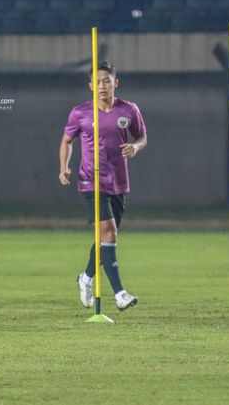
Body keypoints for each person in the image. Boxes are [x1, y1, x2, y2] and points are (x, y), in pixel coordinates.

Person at [58, 61, 147, 311]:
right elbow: (67, 140)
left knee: (104, 237)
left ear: (115, 82)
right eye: (97, 82)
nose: (101, 86)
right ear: (90, 86)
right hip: (90, 181)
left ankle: (85, 278)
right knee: (109, 233)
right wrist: (64, 166)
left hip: (118, 182)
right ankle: (120, 294)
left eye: (106, 81)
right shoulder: (81, 113)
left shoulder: (129, 110)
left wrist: (136, 147)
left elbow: (142, 137)